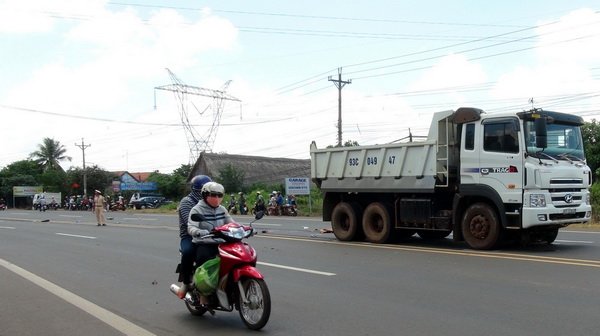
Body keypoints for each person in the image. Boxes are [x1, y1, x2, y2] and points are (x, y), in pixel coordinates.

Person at [187, 182, 233, 300]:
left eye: (219, 195)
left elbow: (231, 223)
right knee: (204, 260)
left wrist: (243, 228)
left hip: (221, 242)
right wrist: (199, 231)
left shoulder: (222, 209)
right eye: (213, 195)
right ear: (205, 195)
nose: (216, 198)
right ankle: (203, 292)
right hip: (204, 242)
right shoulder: (197, 209)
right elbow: (191, 227)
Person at [175, 174, 212, 299]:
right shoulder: (187, 202)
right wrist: (206, 229)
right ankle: (186, 282)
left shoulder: (211, 202)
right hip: (189, 236)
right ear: (198, 191)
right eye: (205, 191)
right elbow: (189, 222)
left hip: (210, 235)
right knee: (188, 251)